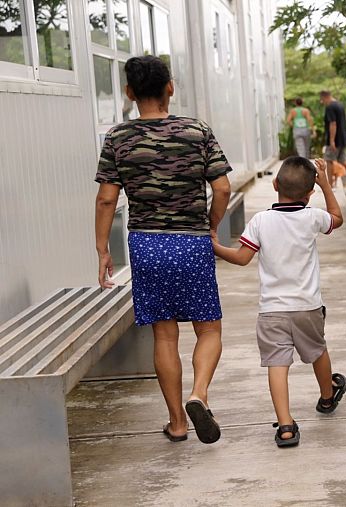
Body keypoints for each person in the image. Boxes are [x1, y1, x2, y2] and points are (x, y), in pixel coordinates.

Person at [94, 55, 229, 445]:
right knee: (208, 328)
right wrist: (212, 225)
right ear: (170, 87)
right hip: (192, 242)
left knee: (165, 336)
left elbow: (106, 200)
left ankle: (178, 424)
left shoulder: (118, 138)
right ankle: (198, 395)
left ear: (130, 92)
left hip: (147, 243)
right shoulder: (197, 131)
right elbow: (222, 188)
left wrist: (103, 249)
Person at [212, 156, 346, 448]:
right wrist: (325, 182)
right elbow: (337, 218)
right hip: (307, 306)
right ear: (310, 192)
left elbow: (241, 258)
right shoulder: (312, 217)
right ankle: (327, 397)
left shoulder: (261, 221)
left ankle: (286, 426)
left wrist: (215, 245)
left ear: (275, 185)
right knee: (317, 351)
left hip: (272, 310)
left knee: (277, 364)